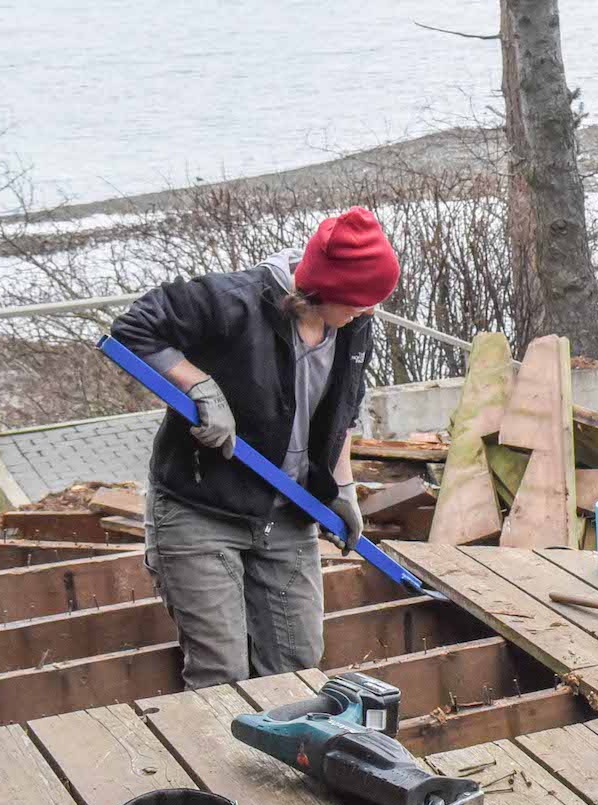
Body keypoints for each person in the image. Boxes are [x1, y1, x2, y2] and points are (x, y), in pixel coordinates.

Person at [109, 207, 400, 689]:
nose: (368, 311)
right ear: (318, 289)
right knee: (221, 672)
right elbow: (132, 329)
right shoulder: (234, 301)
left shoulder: (352, 322)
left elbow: (344, 408)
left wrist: (342, 488)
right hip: (201, 510)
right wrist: (199, 386)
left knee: (298, 666)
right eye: (358, 301)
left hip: (288, 514)